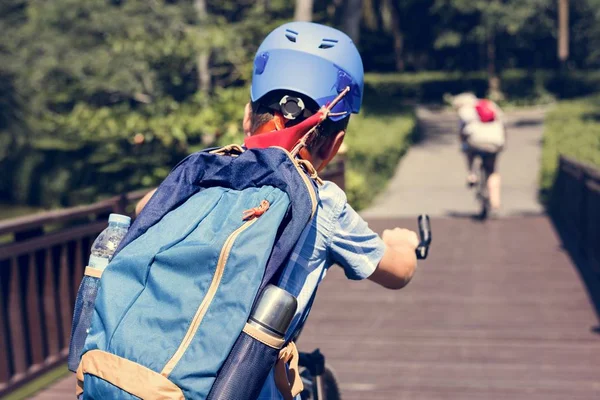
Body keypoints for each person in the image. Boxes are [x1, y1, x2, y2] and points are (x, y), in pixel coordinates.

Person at [136, 22, 419, 400]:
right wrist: (404, 244)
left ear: (246, 117)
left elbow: (144, 209)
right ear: (336, 143)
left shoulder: (207, 171)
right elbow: (397, 273)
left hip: (144, 373)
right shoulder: (325, 203)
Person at [451, 92, 505, 213]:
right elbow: (502, 122)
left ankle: (472, 175)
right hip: (495, 141)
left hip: (475, 142)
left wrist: (462, 144)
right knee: (492, 170)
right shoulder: (490, 104)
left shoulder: (465, 110)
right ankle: (495, 201)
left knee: (468, 150)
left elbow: (462, 132)